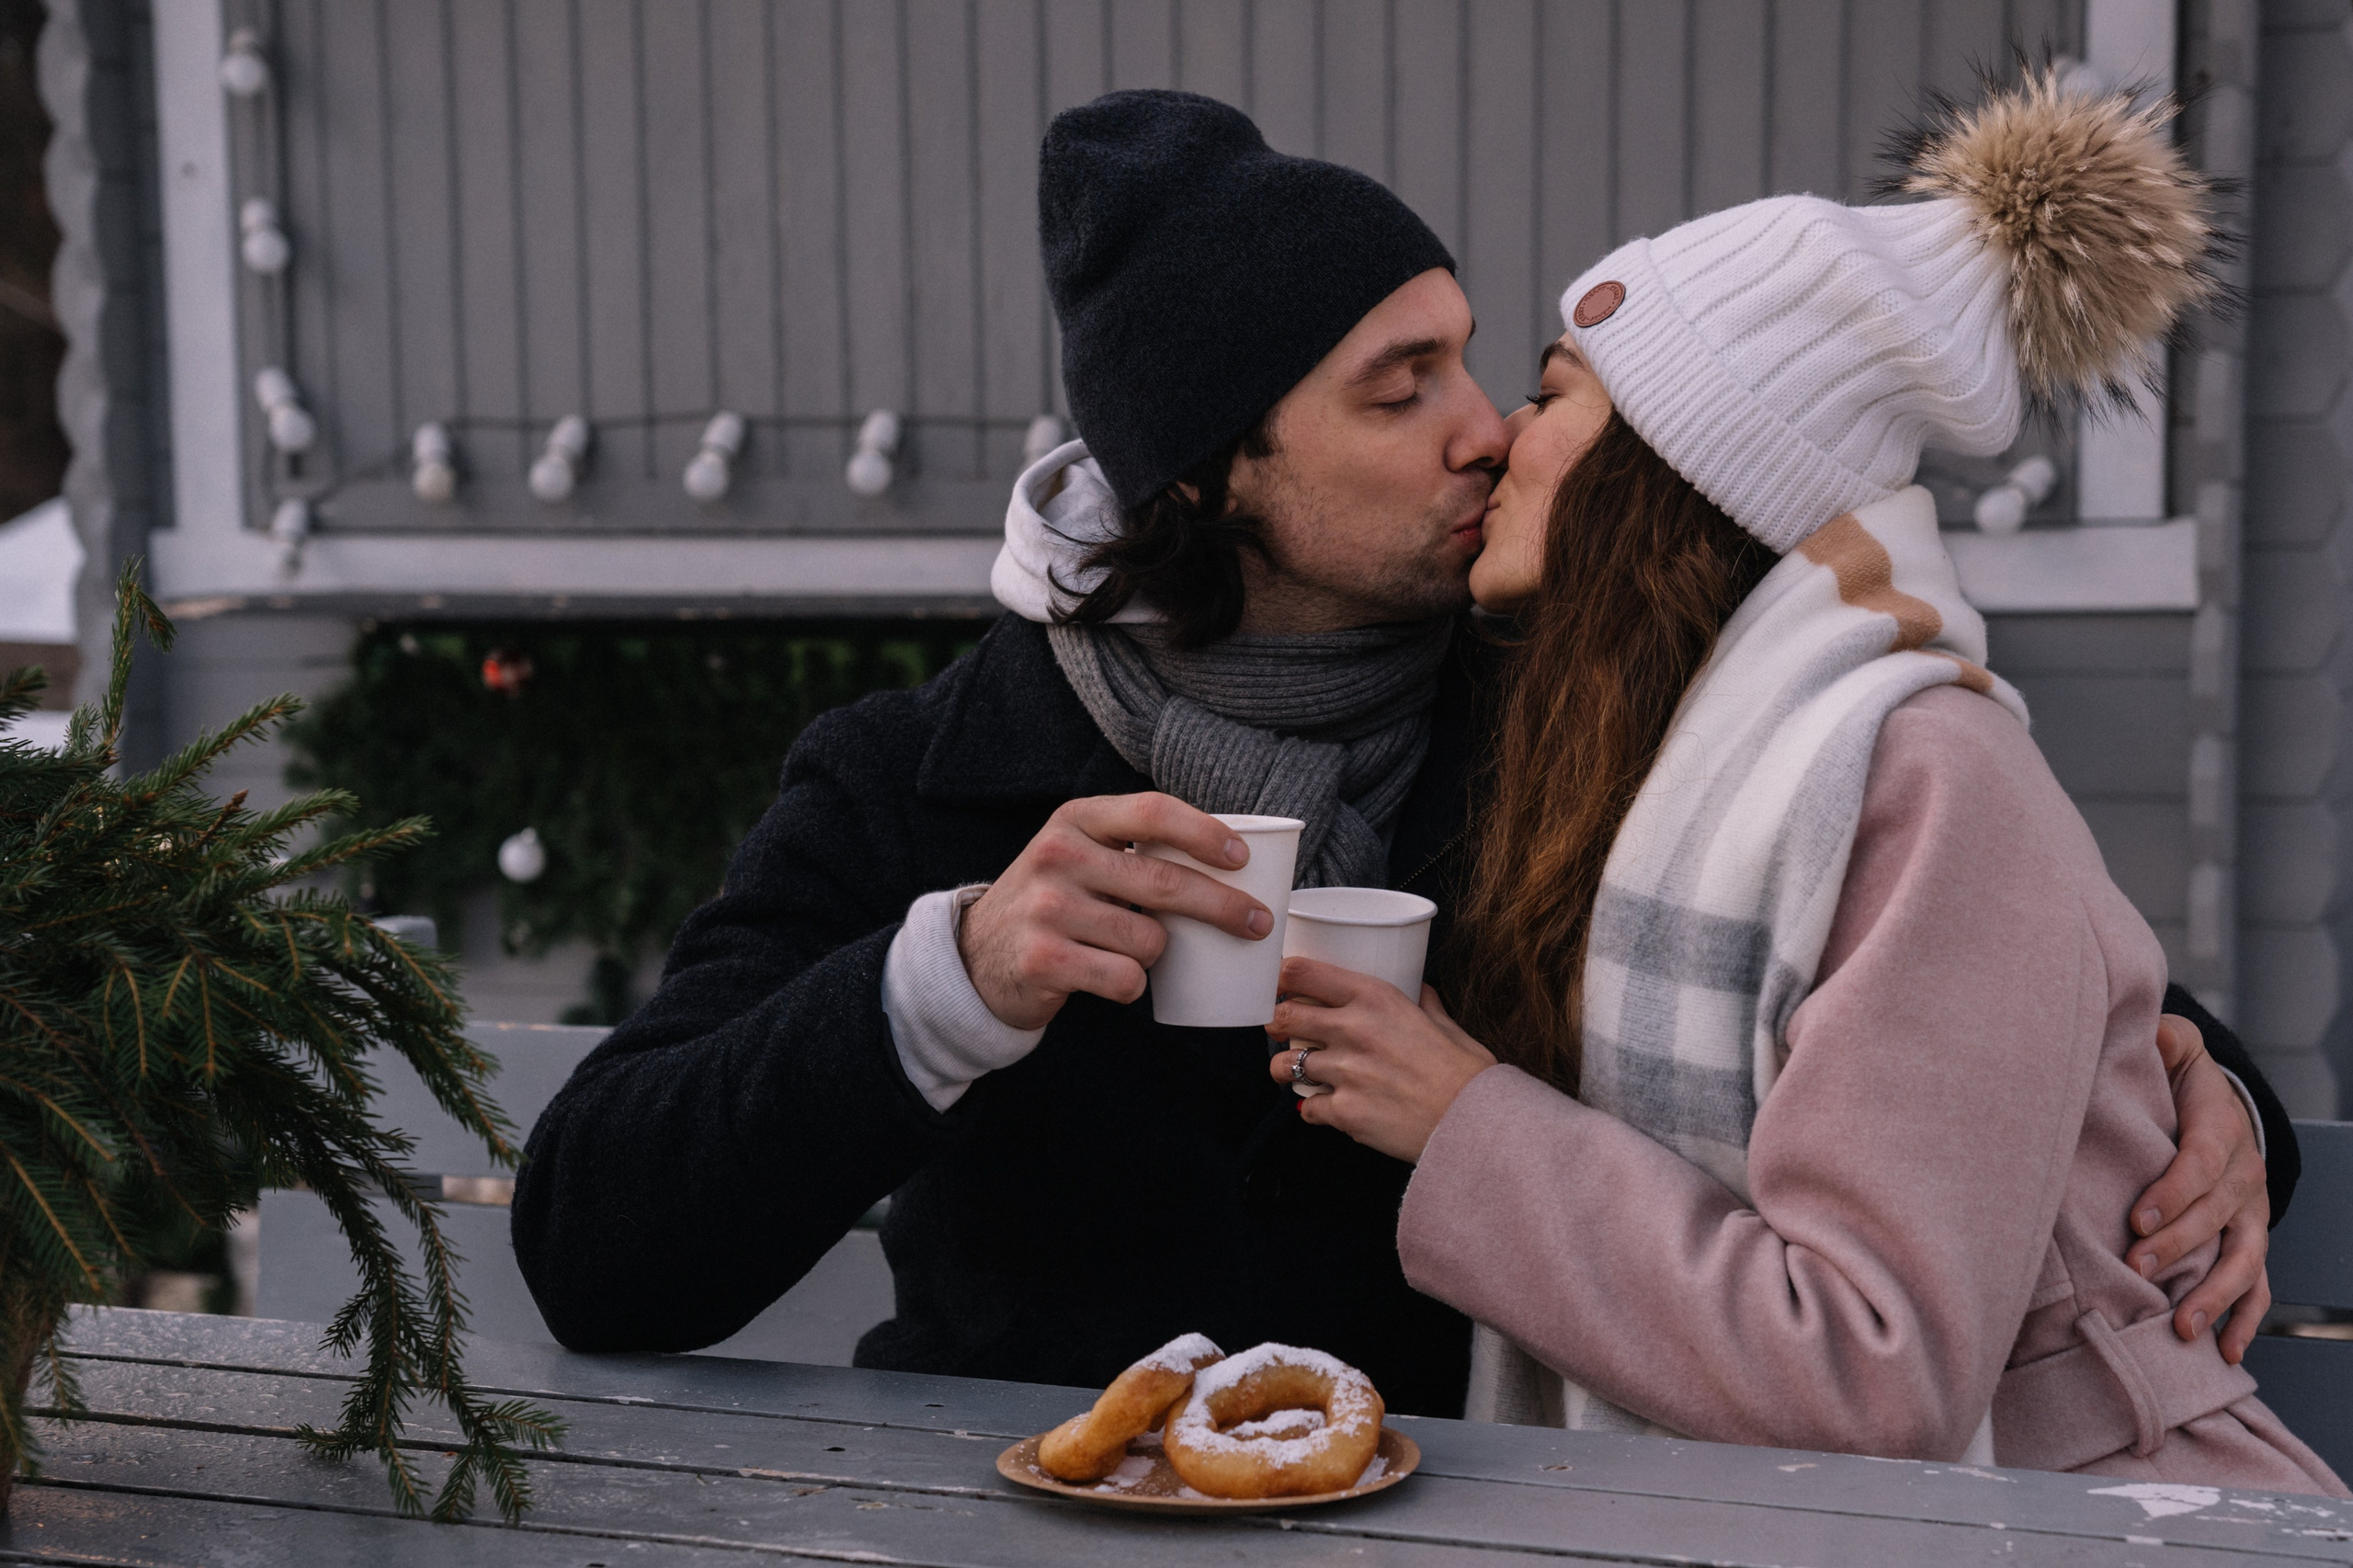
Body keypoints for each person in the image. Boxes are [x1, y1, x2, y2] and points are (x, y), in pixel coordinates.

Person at [512, 89, 2286, 1421]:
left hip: (1457, 1516)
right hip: (1027, 1516)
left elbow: (1971, 945)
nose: (1485, 430)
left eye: (1472, 362)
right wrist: (949, 981)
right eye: (1398, 387)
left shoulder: (1578, 720)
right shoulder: (925, 776)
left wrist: (2207, 1090)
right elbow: (598, 1237)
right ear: (1210, 474)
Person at [1264, 74, 2343, 1490]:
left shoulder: (1924, 777)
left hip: (2098, 1518)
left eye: (1554, 396)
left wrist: (1463, 1117)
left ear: (1682, 464)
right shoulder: (1652, 769)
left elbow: (1871, 1371)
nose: (1503, 438)